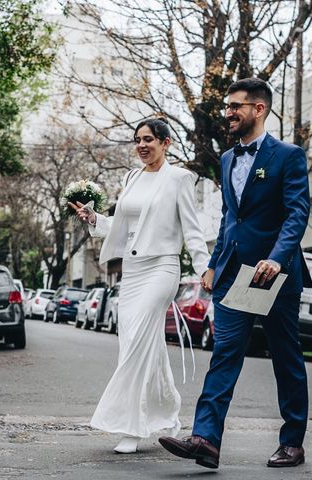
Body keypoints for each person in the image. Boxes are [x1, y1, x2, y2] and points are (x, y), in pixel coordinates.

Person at [159, 77, 312, 469]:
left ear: (258, 109)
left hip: (274, 276)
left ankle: (292, 442)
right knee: (225, 354)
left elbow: (297, 213)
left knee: (285, 356)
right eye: (227, 106)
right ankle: (205, 440)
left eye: (235, 106)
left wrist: (277, 258)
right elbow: (232, 217)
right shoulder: (227, 159)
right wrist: (213, 264)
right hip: (233, 276)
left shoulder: (288, 155)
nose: (228, 112)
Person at [70, 118, 210, 454]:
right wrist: (94, 220)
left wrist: (206, 268)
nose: (142, 145)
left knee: (136, 347)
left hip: (162, 268)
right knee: (134, 342)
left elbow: (192, 229)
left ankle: (129, 428)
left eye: (148, 139)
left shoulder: (179, 179)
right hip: (132, 273)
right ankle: (161, 409)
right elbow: (121, 225)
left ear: (166, 143)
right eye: (137, 140)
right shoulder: (131, 177)